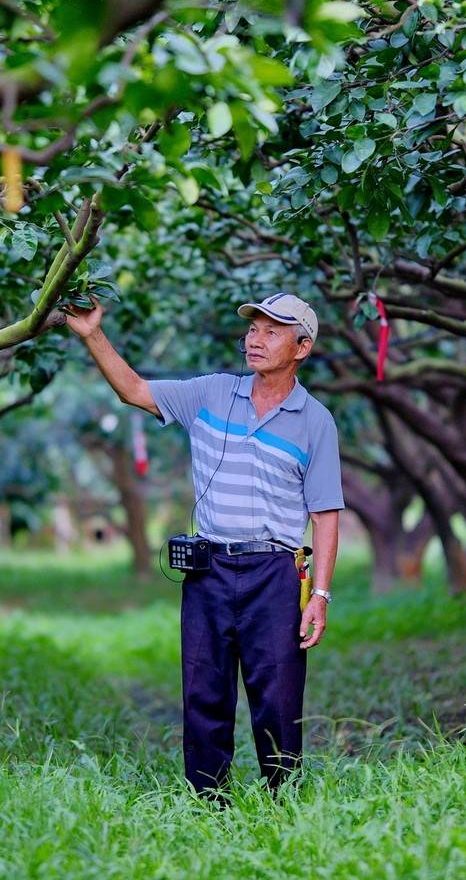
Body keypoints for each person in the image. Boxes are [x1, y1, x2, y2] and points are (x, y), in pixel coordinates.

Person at [64, 292, 343, 798]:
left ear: (301, 348)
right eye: (253, 329)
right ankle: (206, 803)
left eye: (272, 331)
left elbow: (325, 514)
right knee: (203, 692)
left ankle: (284, 803)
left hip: (275, 574)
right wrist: (92, 335)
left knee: (277, 697)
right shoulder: (212, 394)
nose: (255, 340)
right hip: (208, 570)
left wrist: (319, 596)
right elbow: (133, 390)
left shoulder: (316, 421)